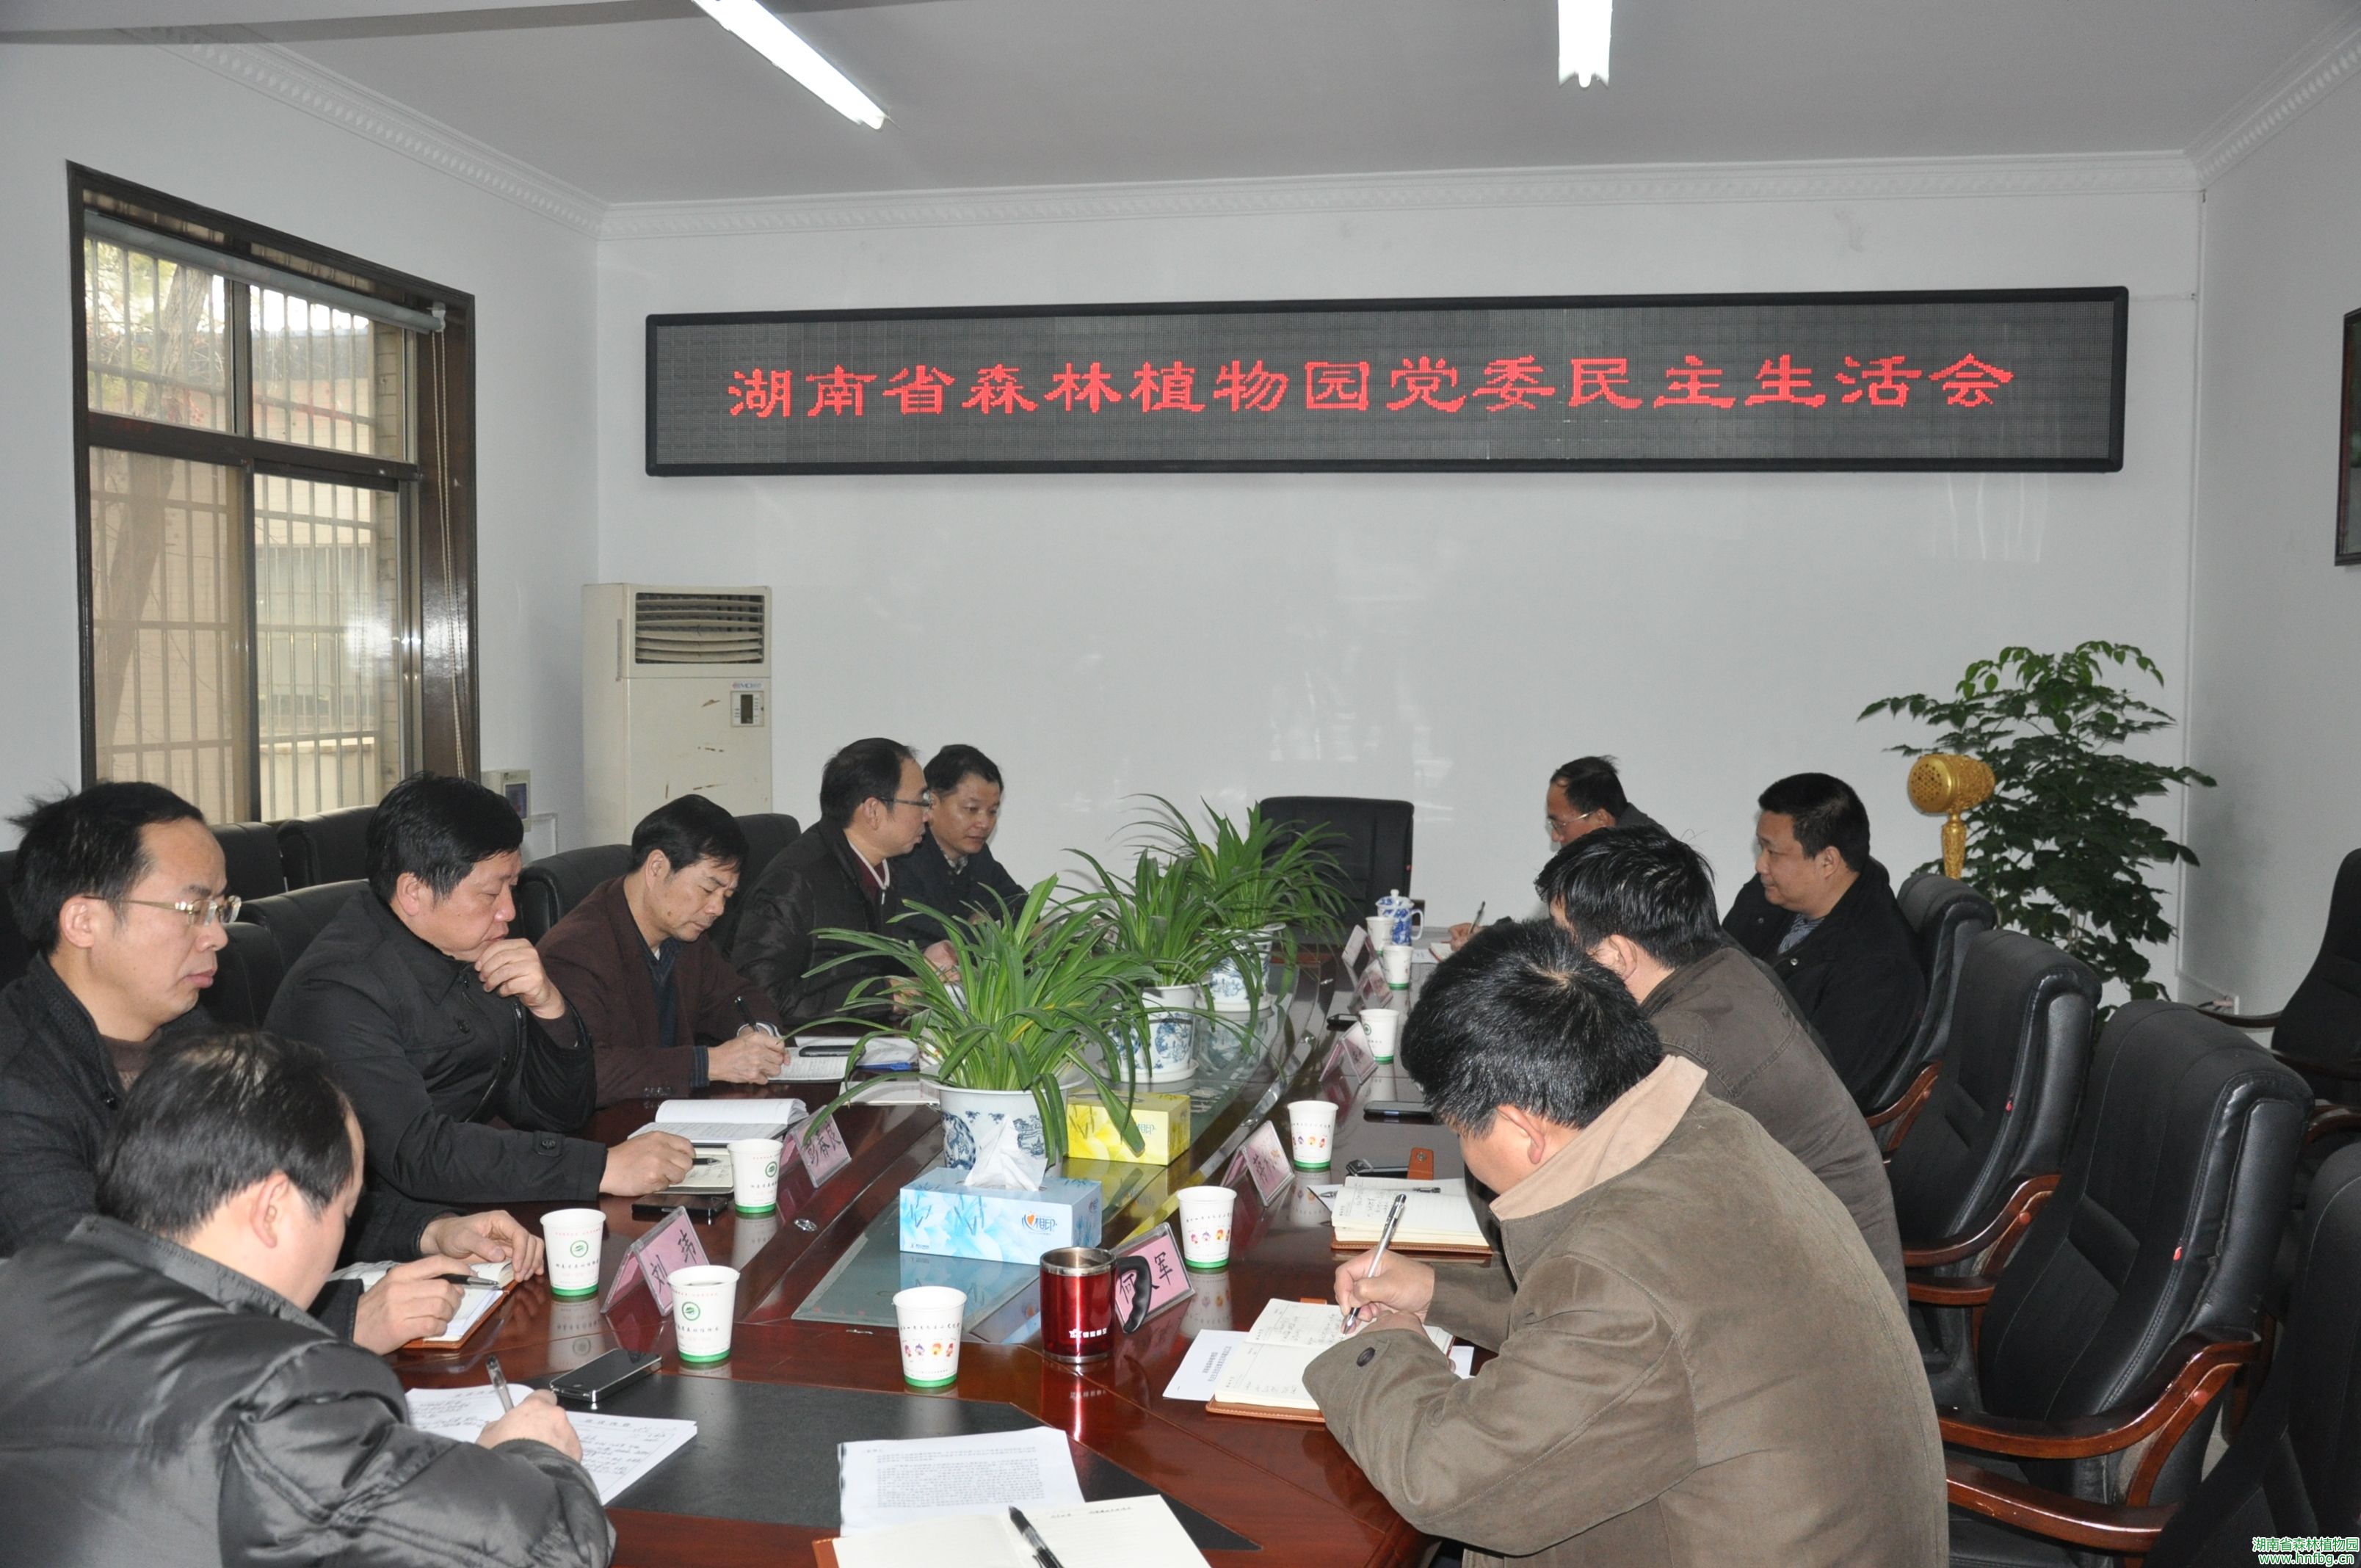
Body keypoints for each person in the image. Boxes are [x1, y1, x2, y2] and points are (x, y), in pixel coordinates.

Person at [1314, 922, 1943, 1567]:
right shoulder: (1714, 1130)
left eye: (1459, 1133)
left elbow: (1443, 1479)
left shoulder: (1617, 1282)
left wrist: (1386, 1344)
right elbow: (1615, 1337)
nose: (1464, 1154)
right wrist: (1435, 1290)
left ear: (1522, 1130)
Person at [0, 1028, 613, 1567]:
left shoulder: (21, 1287)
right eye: (345, 1213)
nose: (341, 1235)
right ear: (272, 1209)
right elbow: (556, 1547)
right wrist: (531, 1454)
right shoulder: (277, 1398)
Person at [0, 782, 542, 1354]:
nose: (216, 936)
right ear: (84, 922)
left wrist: (431, 1230)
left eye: (220, 908)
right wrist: (347, 1322)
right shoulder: (17, 1090)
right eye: (193, 910)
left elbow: (289, 1185)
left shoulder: (189, 1032)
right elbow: (103, 1314)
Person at [267, 772, 694, 1205]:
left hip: (464, 1203)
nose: (508, 911)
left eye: (512, 888)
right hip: (371, 1225)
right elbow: (417, 1152)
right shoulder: (337, 992)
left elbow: (556, 1114)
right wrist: (598, 1168)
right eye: (491, 894)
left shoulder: (466, 948)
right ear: (414, 892)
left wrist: (550, 1008)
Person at [1536, 827, 1906, 1304]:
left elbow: (1586, 1208)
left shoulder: (1682, 1052)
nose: (1556, 962)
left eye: (1563, 942)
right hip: (1801, 1277)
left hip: (1819, 1312)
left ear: (1617, 954)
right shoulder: (1721, 968)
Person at [539, 793, 786, 1106]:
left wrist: (756, 1035)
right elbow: (587, 1072)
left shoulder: (685, 934)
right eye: (709, 889)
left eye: (726, 896)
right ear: (657, 867)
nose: (717, 909)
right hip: (613, 1128)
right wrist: (708, 1064)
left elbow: (735, 995)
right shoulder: (575, 952)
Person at [1722, 772, 1926, 1103]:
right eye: (1761, 848)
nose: (1761, 865)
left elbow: (1816, 1095)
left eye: (1773, 852)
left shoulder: (1879, 968)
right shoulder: (1768, 898)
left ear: (1828, 861)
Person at [736, 738, 957, 1027]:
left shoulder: (882, 868)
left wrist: (922, 965)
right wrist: (886, 995)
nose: (927, 815)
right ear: (873, 811)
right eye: (920, 801)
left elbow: (864, 968)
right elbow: (761, 998)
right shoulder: (794, 881)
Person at [1451, 755, 1664, 948]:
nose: (1555, 836)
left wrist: (1491, 943)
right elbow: (1560, 927)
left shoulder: (1638, 863)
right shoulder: (1621, 846)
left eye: (1560, 824)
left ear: (1601, 819)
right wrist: (1489, 936)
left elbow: (1570, 939)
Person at [891, 744, 1029, 948]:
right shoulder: (906, 854)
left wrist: (985, 918)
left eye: (992, 811)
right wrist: (980, 928)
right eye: (971, 809)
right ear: (931, 803)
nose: (985, 823)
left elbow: (1024, 906)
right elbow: (921, 931)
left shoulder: (979, 858)